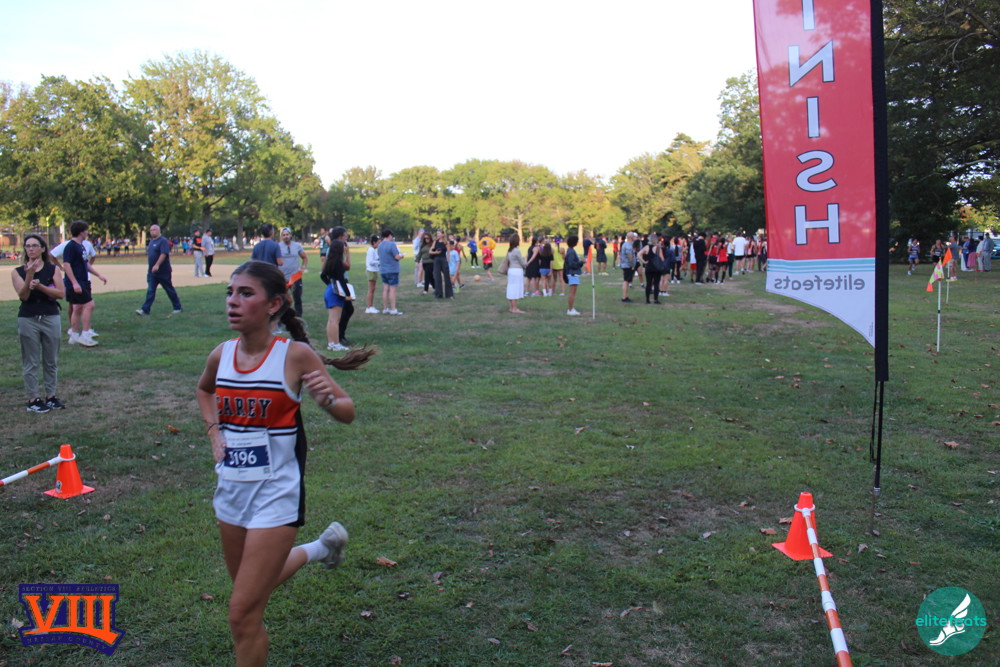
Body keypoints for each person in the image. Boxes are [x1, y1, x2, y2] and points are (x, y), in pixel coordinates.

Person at [196, 260, 372, 667]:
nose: (233, 302)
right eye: (230, 292)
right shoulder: (221, 355)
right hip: (231, 492)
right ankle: (322, 548)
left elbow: (347, 410)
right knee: (254, 588)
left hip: (277, 494)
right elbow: (204, 391)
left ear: (275, 304)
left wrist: (327, 401)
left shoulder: (295, 356)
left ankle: (317, 548)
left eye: (246, 293)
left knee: (242, 613)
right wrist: (214, 433)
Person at [13, 234, 66, 412]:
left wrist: (41, 286)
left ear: (43, 249)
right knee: (31, 360)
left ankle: (51, 396)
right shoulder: (17, 272)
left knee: (51, 360)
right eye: (28, 246)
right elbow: (23, 296)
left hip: (50, 316)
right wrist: (29, 276)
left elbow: (60, 293)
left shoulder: (52, 270)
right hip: (28, 318)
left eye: (35, 245)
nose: (31, 249)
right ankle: (33, 399)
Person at [52, 223, 107, 344]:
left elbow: (85, 264)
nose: (87, 233)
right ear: (81, 232)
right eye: (86, 230)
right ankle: (85, 334)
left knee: (76, 308)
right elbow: (67, 265)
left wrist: (98, 275)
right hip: (77, 282)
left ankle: (74, 335)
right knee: (89, 305)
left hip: (83, 280)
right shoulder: (71, 246)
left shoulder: (81, 246)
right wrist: (74, 283)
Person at [137, 224, 183, 315]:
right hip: (152, 272)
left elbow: (164, 254)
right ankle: (145, 310)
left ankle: (177, 307)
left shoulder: (163, 241)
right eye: (151, 230)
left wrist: (157, 265)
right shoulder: (151, 242)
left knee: (169, 289)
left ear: (159, 230)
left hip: (163, 271)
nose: (152, 231)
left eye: (154, 229)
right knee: (150, 291)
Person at [321, 239, 352, 351]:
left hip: (329, 290)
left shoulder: (329, 261)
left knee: (331, 320)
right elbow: (341, 280)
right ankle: (336, 344)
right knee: (335, 320)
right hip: (336, 293)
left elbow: (323, 276)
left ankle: (331, 343)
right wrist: (347, 294)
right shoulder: (339, 263)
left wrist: (330, 284)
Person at [327, 227, 355, 346]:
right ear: (340, 237)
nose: (346, 237)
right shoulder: (335, 250)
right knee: (345, 311)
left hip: (340, 282)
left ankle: (338, 337)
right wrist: (348, 252)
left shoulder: (336, 248)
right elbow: (347, 266)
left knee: (347, 310)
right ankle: (339, 337)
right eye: (345, 235)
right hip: (339, 283)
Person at [279, 228, 309, 317]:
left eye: (287, 234)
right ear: (281, 236)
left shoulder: (297, 246)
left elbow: (304, 257)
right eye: (284, 235)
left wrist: (303, 268)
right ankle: (282, 318)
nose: (286, 236)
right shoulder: (277, 246)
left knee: (297, 299)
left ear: (291, 235)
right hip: (282, 277)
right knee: (282, 299)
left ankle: (299, 318)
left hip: (295, 277)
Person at [376, 229, 404, 315]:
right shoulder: (392, 244)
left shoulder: (380, 245)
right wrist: (401, 256)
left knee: (385, 289)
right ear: (389, 235)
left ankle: (385, 308)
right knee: (392, 290)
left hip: (383, 270)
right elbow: (396, 257)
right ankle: (393, 309)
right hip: (392, 270)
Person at [505, 233, 527, 314]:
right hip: (517, 270)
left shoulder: (509, 251)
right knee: (515, 289)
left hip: (511, 270)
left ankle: (511, 307)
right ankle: (515, 308)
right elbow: (522, 263)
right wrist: (526, 262)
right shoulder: (517, 251)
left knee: (511, 288)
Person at [563, 234, 584, 315]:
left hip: (572, 273)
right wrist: (581, 262)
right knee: (572, 293)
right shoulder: (571, 252)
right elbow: (572, 264)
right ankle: (570, 309)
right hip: (572, 274)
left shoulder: (570, 250)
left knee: (572, 292)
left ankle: (571, 308)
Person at [430, 229, 453, 299]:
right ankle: (438, 294)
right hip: (436, 260)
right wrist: (435, 252)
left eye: (439, 233)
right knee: (437, 277)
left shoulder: (446, 242)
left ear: (443, 234)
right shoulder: (435, 242)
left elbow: (448, 252)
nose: (438, 235)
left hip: (443, 259)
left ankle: (449, 294)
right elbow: (430, 251)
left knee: (447, 276)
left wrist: (448, 259)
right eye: (437, 233)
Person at [364, 234, 381, 313]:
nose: (379, 245)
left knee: (373, 289)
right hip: (371, 271)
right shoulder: (371, 250)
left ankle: (371, 306)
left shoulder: (374, 250)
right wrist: (379, 262)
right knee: (371, 289)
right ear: (374, 242)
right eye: (378, 243)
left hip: (374, 270)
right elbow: (371, 262)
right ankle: (369, 307)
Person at [619, 231, 637, 302]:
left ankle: (625, 296)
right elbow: (630, 256)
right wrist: (632, 265)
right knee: (626, 281)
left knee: (627, 281)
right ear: (632, 238)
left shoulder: (626, 244)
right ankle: (624, 297)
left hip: (626, 265)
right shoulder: (628, 246)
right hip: (627, 265)